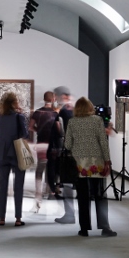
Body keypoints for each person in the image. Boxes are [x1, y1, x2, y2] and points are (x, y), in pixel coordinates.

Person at [64, 97, 116, 237]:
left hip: (80, 164)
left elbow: (67, 144)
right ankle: (105, 227)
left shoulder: (72, 122)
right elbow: (103, 143)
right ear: (89, 108)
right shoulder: (97, 121)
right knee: (100, 195)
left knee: (83, 196)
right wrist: (107, 161)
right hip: (96, 163)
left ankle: (84, 228)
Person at [0, 91, 30, 226]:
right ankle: (18, 218)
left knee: (3, 186)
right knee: (18, 186)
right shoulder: (19, 116)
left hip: (1, 153)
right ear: (14, 103)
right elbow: (25, 134)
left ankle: (1, 218)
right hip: (16, 153)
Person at [30, 90, 62, 199]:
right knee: (51, 167)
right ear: (53, 99)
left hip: (41, 142)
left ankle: (38, 191)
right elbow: (58, 129)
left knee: (40, 168)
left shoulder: (37, 112)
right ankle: (49, 189)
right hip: (52, 144)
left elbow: (30, 126)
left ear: (44, 99)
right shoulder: (54, 114)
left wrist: (38, 130)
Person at [53, 86, 77, 225]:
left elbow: (60, 132)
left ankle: (69, 214)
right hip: (81, 153)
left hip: (69, 153)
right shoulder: (75, 111)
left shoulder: (64, 112)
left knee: (67, 184)